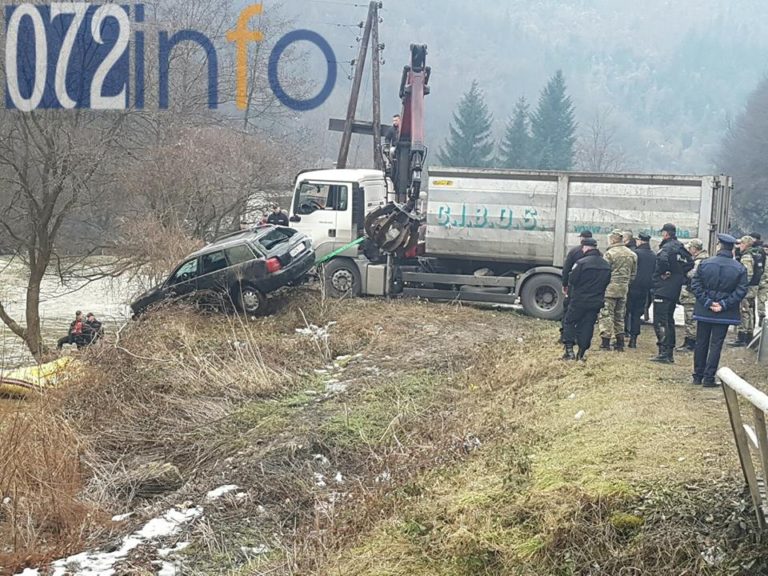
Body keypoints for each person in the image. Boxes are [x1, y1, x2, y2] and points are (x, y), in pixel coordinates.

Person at [690, 234, 748, 387]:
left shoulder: (705, 263)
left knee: (701, 342)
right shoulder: (739, 268)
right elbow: (741, 290)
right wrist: (723, 304)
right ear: (732, 249)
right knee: (716, 344)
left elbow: (695, 285)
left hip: (704, 309)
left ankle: (697, 376)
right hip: (724, 312)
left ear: (719, 246)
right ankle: (709, 378)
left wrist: (708, 302)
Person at [561, 238, 612, 361]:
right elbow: (607, 282)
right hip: (595, 301)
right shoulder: (606, 265)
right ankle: (581, 354)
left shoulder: (581, 263)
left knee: (569, 322)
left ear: (585, 248)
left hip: (579, 300)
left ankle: (569, 351)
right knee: (588, 325)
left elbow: (572, 280)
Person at [651, 223, 695, 363]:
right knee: (669, 320)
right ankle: (668, 351)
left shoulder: (667, 247)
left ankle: (664, 352)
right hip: (674, 288)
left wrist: (665, 272)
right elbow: (690, 262)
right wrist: (679, 274)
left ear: (666, 234)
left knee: (660, 321)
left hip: (663, 288)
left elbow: (662, 260)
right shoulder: (681, 247)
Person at [599, 229, 637, 352]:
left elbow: (604, 272)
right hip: (623, 289)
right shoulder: (632, 254)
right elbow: (633, 274)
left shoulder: (610, 254)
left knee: (606, 314)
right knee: (620, 315)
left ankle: (605, 342)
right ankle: (620, 343)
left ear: (614, 239)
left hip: (610, 289)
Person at [560, 230, 594, 340]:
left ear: (582, 239)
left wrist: (564, 284)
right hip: (589, 289)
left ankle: (565, 335)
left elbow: (566, 269)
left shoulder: (574, 251)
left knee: (568, 311)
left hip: (574, 287)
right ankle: (579, 335)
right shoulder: (597, 254)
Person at [677, 239, 709, 352]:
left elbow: (692, 275)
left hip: (692, 294)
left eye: (690, 248)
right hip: (697, 294)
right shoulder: (706, 259)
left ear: (695, 249)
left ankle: (690, 343)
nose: (689, 250)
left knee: (690, 319)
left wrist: (684, 270)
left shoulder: (698, 262)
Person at [625, 232, 656, 348]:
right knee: (637, 314)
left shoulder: (635, 254)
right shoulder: (653, 255)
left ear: (640, 241)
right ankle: (633, 339)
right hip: (645, 289)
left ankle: (624, 334)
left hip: (631, 287)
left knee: (626, 312)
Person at [729, 235, 761, 347]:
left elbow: (748, 273)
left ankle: (742, 336)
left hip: (747, 289)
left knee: (744, 311)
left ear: (746, 244)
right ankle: (749, 334)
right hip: (753, 287)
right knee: (750, 311)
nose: (739, 246)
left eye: (741, 243)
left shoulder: (746, 257)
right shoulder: (755, 254)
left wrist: (741, 287)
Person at [750, 232, 768, 328]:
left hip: (762, 282)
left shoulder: (758, 252)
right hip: (760, 281)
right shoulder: (759, 252)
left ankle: (761, 316)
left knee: (760, 301)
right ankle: (755, 320)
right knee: (753, 301)